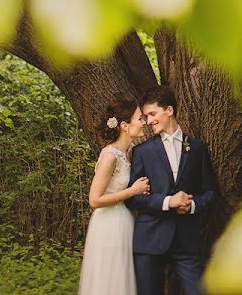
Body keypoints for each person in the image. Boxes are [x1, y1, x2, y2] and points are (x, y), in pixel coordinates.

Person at [125, 86, 217, 295]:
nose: (148, 121)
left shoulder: (197, 149)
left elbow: (210, 192)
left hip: (186, 242)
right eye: (146, 116)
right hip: (149, 241)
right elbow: (133, 199)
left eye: (152, 114)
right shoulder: (142, 152)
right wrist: (168, 202)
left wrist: (192, 205)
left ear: (169, 110)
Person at [79, 99, 151, 295]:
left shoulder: (128, 154)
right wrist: (132, 191)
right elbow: (94, 200)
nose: (144, 121)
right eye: (139, 118)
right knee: (109, 278)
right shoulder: (110, 156)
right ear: (124, 126)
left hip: (125, 220)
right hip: (108, 223)